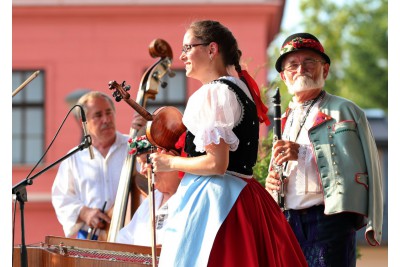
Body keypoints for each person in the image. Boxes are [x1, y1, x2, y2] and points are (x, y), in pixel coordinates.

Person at [147, 20, 307, 267]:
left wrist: (168, 161)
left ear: (211, 49)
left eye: (188, 47)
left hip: (217, 201)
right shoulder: (239, 89)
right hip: (245, 196)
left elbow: (216, 162)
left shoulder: (213, 93)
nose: (182, 56)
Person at [265, 32, 384, 267]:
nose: (301, 69)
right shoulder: (285, 117)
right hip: (289, 221)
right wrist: (271, 184)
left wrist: (301, 152)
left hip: (330, 220)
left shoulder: (347, 110)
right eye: (293, 65)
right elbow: (279, 168)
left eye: (309, 61)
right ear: (283, 76)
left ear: (325, 70)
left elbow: (366, 164)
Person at [51, 91, 146, 240]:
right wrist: (84, 212)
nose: (106, 119)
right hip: (91, 237)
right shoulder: (74, 157)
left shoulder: (133, 146)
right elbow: (61, 198)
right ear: (85, 123)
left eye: (109, 113)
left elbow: (152, 183)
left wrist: (143, 142)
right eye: (98, 115)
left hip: (132, 236)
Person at [116, 135, 181, 246]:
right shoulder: (152, 198)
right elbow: (125, 238)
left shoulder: (188, 195)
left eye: (147, 160)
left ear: (169, 156)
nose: (142, 171)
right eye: (139, 164)